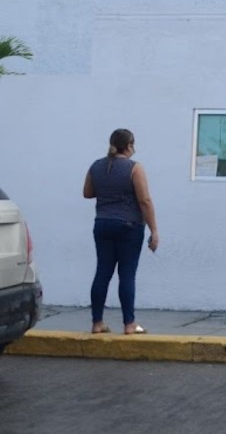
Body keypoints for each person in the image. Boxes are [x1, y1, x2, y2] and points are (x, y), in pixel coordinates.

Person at [82, 128, 159, 335]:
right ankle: (129, 324)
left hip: (103, 223)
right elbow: (144, 201)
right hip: (129, 226)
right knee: (126, 274)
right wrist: (154, 231)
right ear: (129, 145)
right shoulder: (135, 168)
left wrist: (108, 191)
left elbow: (87, 193)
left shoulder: (96, 166)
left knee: (102, 272)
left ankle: (97, 323)